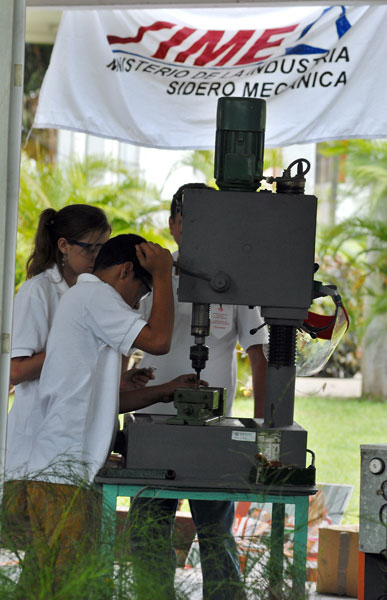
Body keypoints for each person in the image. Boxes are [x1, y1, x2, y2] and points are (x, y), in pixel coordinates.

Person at [17, 234, 202, 594]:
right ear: (125, 271)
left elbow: (105, 401)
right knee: (68, 584)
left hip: (62, 469)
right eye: (142, 291)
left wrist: (164, 390)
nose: (139, 302)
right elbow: (160, 341)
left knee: (46, 583)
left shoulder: (83, 298)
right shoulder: (95, 296)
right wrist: (163, 274)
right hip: (63, 471)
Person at [130, 183, 268, 600]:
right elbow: (121, 347)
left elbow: (259, 356)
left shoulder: (235, 282)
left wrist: (261, 428)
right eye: (190, 222)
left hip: (214, 432)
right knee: (149, 533)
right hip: (154, 426)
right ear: (173, 225)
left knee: (216, 533)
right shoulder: (151, 277)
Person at [6, 204, 111, 482]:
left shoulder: (95, 292)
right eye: (89, 248)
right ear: (63, 245)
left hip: (77, 437)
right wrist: (69, 342)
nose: (97, 256)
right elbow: (16, 371)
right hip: (35, 437)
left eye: (103, 247)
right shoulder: (38, 291)